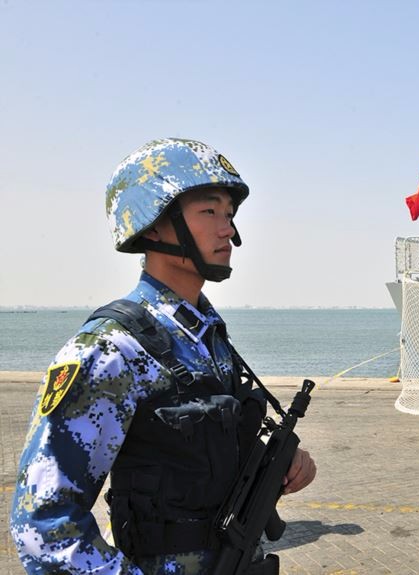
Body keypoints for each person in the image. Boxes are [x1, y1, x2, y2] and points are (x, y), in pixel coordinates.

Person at [9, 138, 317, 574]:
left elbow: (205, 462)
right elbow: (45, 529)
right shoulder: (110, 349)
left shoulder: (206, 336)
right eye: (209, 212)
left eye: (229, 214)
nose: (228, 230)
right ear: (153, 225)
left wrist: (282, 466)